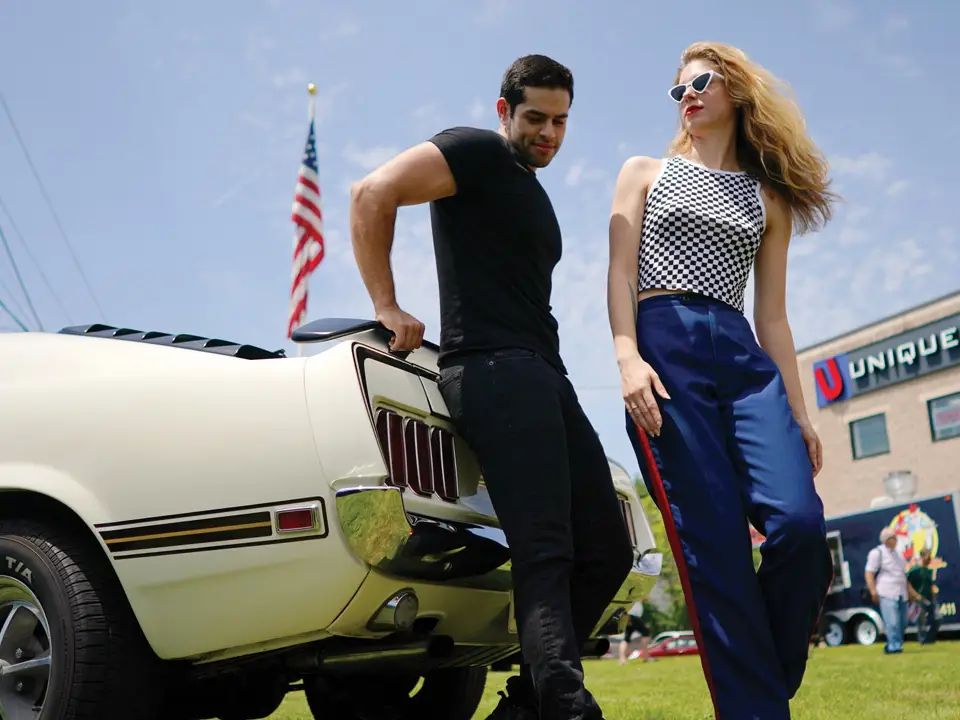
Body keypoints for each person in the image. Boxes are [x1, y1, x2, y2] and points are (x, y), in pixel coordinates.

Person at [349, 54, 634, 720]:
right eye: (535, 118)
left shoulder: (525, 184)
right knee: (546, 547)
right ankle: (565, 705)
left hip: (543, 373)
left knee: (608, 548)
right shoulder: (474, 151)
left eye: (561, 122)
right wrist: (387, 304)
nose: (550, 134)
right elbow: (371, 193)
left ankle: (526, 707)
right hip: (495, 369)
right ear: (504, 110)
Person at [606, 41, 838, 719]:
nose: (688, 97)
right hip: (664, 350)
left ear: (734, 89)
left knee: (798, 524)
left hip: (741, 357)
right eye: (678, 90)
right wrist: (627, 357)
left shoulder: (768, 199)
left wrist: (800, 414)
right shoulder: (643, 172)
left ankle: (764, 677)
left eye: (700, 83)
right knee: (717, 556)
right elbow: (620, 275)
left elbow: (774, 316)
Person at [865, 528, 921, 653]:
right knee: (893, 622)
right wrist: (873, 591)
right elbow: (869, 573)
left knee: (903, 622)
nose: (896, 540)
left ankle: (894, 644)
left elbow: (903, 576)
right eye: (893, 537)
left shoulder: (898, 554)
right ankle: (894, 647)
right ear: (886, 539)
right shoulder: (877, 553)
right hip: (887, 592)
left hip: (902, 593)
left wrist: (912, 593)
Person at [908, 548, 940, 645]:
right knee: (921, 621)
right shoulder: (915, 570)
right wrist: (914, 595)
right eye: (928, 557)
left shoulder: (928, 570)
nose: (930, 559)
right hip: (919, 599)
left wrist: (933, 597)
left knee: (938, 618)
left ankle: (929, 638)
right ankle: (923, 640)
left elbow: (930, 585)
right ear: (922, 557)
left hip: (929, 598)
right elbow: (907, 583)